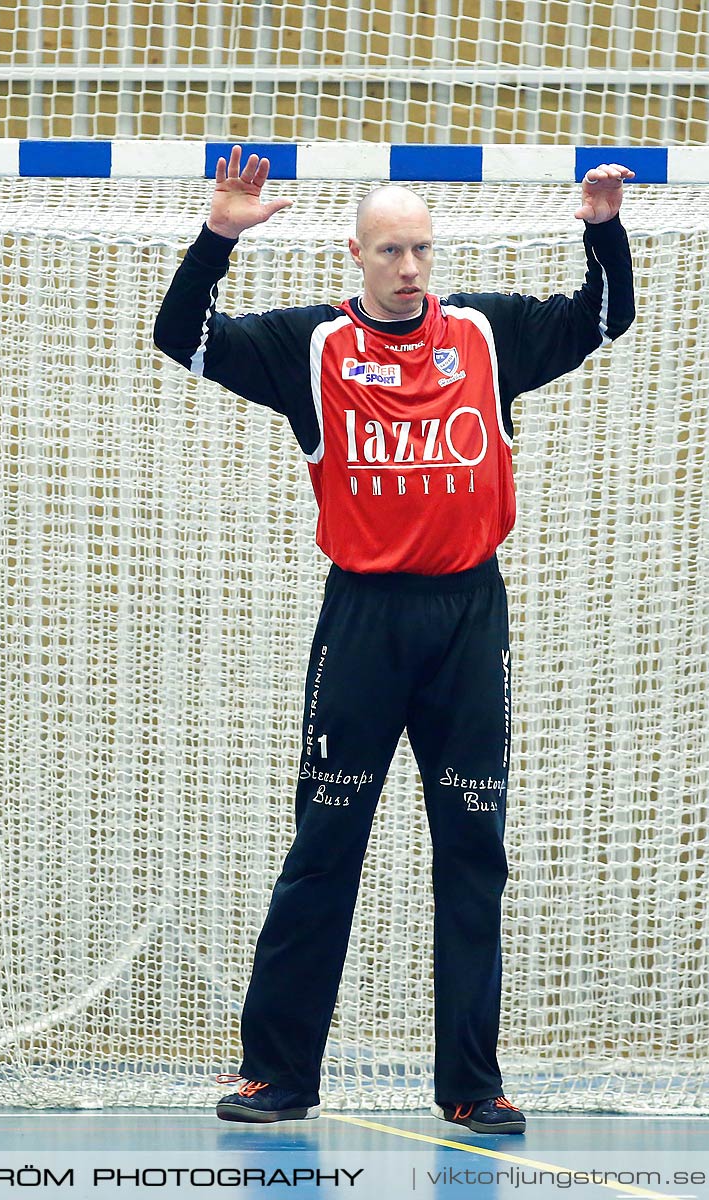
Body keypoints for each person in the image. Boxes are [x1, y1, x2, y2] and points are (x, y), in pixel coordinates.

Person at [152, 146, 635, 1134]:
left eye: (421, 250)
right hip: (364, 624)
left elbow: (604, 316)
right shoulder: (312, 349)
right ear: (357, 255)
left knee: (472, 851)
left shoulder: (489, 334)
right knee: (325, 846)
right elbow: (180, 337)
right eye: (391, 252)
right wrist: (217, 239)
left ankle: (473, 1083)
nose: (410, 268)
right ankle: (276, 1075)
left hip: (468, 621)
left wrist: (602, 229)